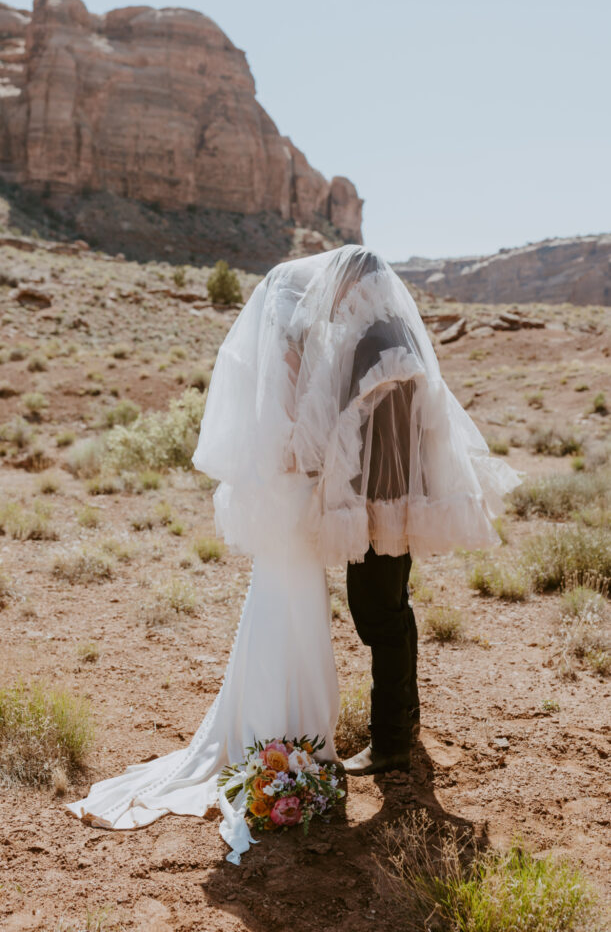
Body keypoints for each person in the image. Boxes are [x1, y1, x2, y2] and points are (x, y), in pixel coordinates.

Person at [65, 244, 521, 862]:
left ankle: (393, 738)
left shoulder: (376, 341)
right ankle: (400, 726)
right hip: (384, 498)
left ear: (358, 287)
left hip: (382, 500)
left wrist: (347, 495)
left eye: (339, 288)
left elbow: (368, 431)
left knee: (380, 615)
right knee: (386, 613)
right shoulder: (378, 335)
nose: (331, 298)